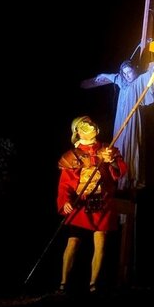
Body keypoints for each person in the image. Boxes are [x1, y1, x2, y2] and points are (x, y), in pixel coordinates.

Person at [56, 116, 127, 294]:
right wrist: (65, 201)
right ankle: (64, 283)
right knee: (73, 241)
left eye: (91, 124)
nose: (90, 127)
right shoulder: (72, 156)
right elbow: (65, 184)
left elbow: (119, 172)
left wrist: (111, 161)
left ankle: (94, 284)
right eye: (84, 125)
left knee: (101, 240)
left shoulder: (107, 149)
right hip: (81, 203)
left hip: (102, 202)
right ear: (78, 132)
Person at [94, 50, 154, 190]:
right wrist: (102, 75)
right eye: (125, 73)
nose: (127, 75)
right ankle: (118, 178)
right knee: (119, 148)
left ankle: (130, 180)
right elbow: (114, 77)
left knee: (130, 146)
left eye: (129, 72)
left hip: (132, 121)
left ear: (134, 71)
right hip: (120, 122)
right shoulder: (123, 83)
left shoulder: (140, 81)